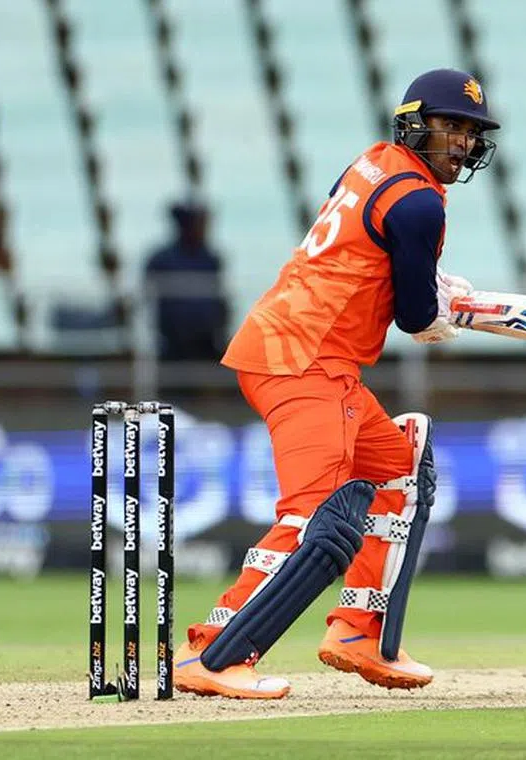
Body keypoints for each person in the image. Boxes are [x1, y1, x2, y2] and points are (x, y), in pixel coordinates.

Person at [173, 68, 499, 699]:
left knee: (401, 467)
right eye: (449, 125)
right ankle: (213, 653)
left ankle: (359, 630)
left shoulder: (374, 163)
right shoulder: (421, 201)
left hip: (308, 351)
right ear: (415, 122)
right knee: (312, 514)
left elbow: (368, 252)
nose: (460, 142)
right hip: (304, 357)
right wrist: (448, 311)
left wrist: (436, 285)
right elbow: (413, 317)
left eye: (469, 131)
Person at [143, 201, 229, 361]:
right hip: (173, 340)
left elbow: (220, 297)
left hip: (208, 339)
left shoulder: (211, 259)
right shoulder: (161, 260)